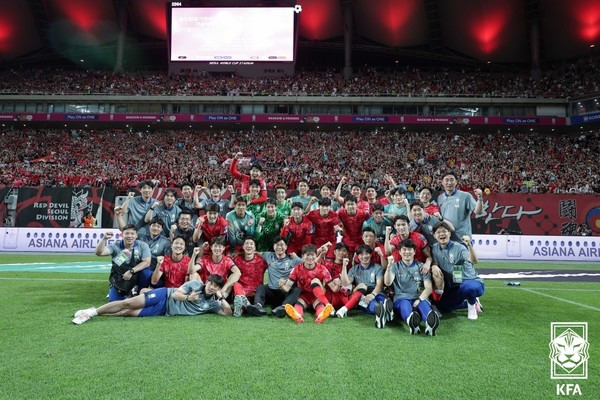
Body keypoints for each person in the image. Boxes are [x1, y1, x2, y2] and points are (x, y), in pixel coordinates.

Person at [72, 274, 232, 324]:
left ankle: (96, 312)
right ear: (207, 282)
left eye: (215, 286)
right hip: (165, 295)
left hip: (164, 311)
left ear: (218, 288)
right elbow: (176, 294)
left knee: (127, 313)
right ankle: (91, 313)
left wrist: (221, 297)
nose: (211, 287)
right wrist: (189, 298)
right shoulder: (196, 284)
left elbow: (228, 313)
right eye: (210, 283)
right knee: (127, 303)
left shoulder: (212, 303)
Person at [384, 239, 440, 336]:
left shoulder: (422, 266)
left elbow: (428, 288)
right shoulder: (395, 266)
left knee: (424, 306)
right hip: (401, 298)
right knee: (405, 305)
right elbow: (387, 282)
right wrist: (389, 267)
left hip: (418, 297)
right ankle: (412, 323)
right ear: (400, 252)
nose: (407, 252)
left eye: (410, 250)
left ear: (414, 252)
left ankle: (430, 324)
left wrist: (419, 299)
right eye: (404, 250)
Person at [431, 222, 485, 320]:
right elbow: (433, 260)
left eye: (444, 231)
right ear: (434, 235)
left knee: (468, 287)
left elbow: (474, 260)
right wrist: (434, 265)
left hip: (471, 281)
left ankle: (472, 306)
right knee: (442, 306)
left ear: (449, 234)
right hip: (456, 284)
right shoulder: (435, 248)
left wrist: (469, 245)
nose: (442, 234)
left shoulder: (459, 247)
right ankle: (468, 303)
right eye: (438, 232)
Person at [246, 236, 302, 317]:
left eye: (282, 245)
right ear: (273, 246)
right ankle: (258, 306)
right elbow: (256, 252)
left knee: (297, 289)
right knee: (261, 287)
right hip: (271, 292)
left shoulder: (293, 259)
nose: (279, 247)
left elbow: (310, 262)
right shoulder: (268, 255)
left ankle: (283, 308)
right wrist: (239, 253)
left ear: (286, 247)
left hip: (285, 293)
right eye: (277, 245)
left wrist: (297, 257)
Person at [95, 225, 151, 301]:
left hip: (136, 274)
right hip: (119, 277)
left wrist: (131, 271)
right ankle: (118, 291)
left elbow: (147, 262)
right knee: (113, 301)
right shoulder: (115, 246)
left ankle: (139, 292)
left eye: (132, 234)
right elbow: (99, 253)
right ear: (122, 235)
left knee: (146, 273)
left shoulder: (143, 245)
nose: (130, 236)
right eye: (127, 233)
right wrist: (104, 239)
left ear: (136, 235)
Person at [281, 244, 334, 324]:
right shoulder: (297, 269)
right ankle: (297, 316)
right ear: (302, 256)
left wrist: (339, 283)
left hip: (317, 296)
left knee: (320, 305)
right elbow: (287, 287)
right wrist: (282, 285)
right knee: (298, 305)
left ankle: (321, 316)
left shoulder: (322, 269)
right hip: (303, 296)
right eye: (307, 255)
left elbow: (332, 286)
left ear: (316, 256)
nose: (310, 257)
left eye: (312, 255)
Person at [338, 244, 386, 325]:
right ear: (358, 256)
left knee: (382, 299)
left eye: (366, 254)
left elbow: (379, 285)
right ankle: (380, 310)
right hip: (362, 294)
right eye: (361, 254)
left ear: (370, 255)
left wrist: (372, 294)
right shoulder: (354, 269)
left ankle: (386, 308)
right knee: (370, 304)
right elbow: (345, 282)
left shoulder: (377, 267)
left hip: (376, 292)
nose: (364, 256)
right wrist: (344, 266)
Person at [437, 171, 483, 239]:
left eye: (452, 180)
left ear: (456, 182)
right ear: (442, 182)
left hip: (463, 238)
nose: (449, 183)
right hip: (447, 238)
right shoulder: (440, 198)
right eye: (446, 180)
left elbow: (478, 212)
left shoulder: (465, 196)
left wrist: (480, 198)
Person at [232, 237, 268, 317]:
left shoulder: (261, 261)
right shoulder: (237, 260)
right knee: (236, 284)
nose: (249, 246)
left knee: (250, 299)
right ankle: (242, 305)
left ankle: (241, 308)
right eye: (246, 244)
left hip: (255, 292)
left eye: (251, 244)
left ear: (254, 248)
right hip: (241, 290)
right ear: (243, 247)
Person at [136, 217, 171, 287]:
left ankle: (140, 291)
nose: (155, 228)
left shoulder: (166, 242)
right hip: (139, 267)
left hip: (155, 270)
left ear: (161, 229)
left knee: (146, 273)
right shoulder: (141, 237)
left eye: (158, 227)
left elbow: (167, 260)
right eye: (153, 225)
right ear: (149, 227)